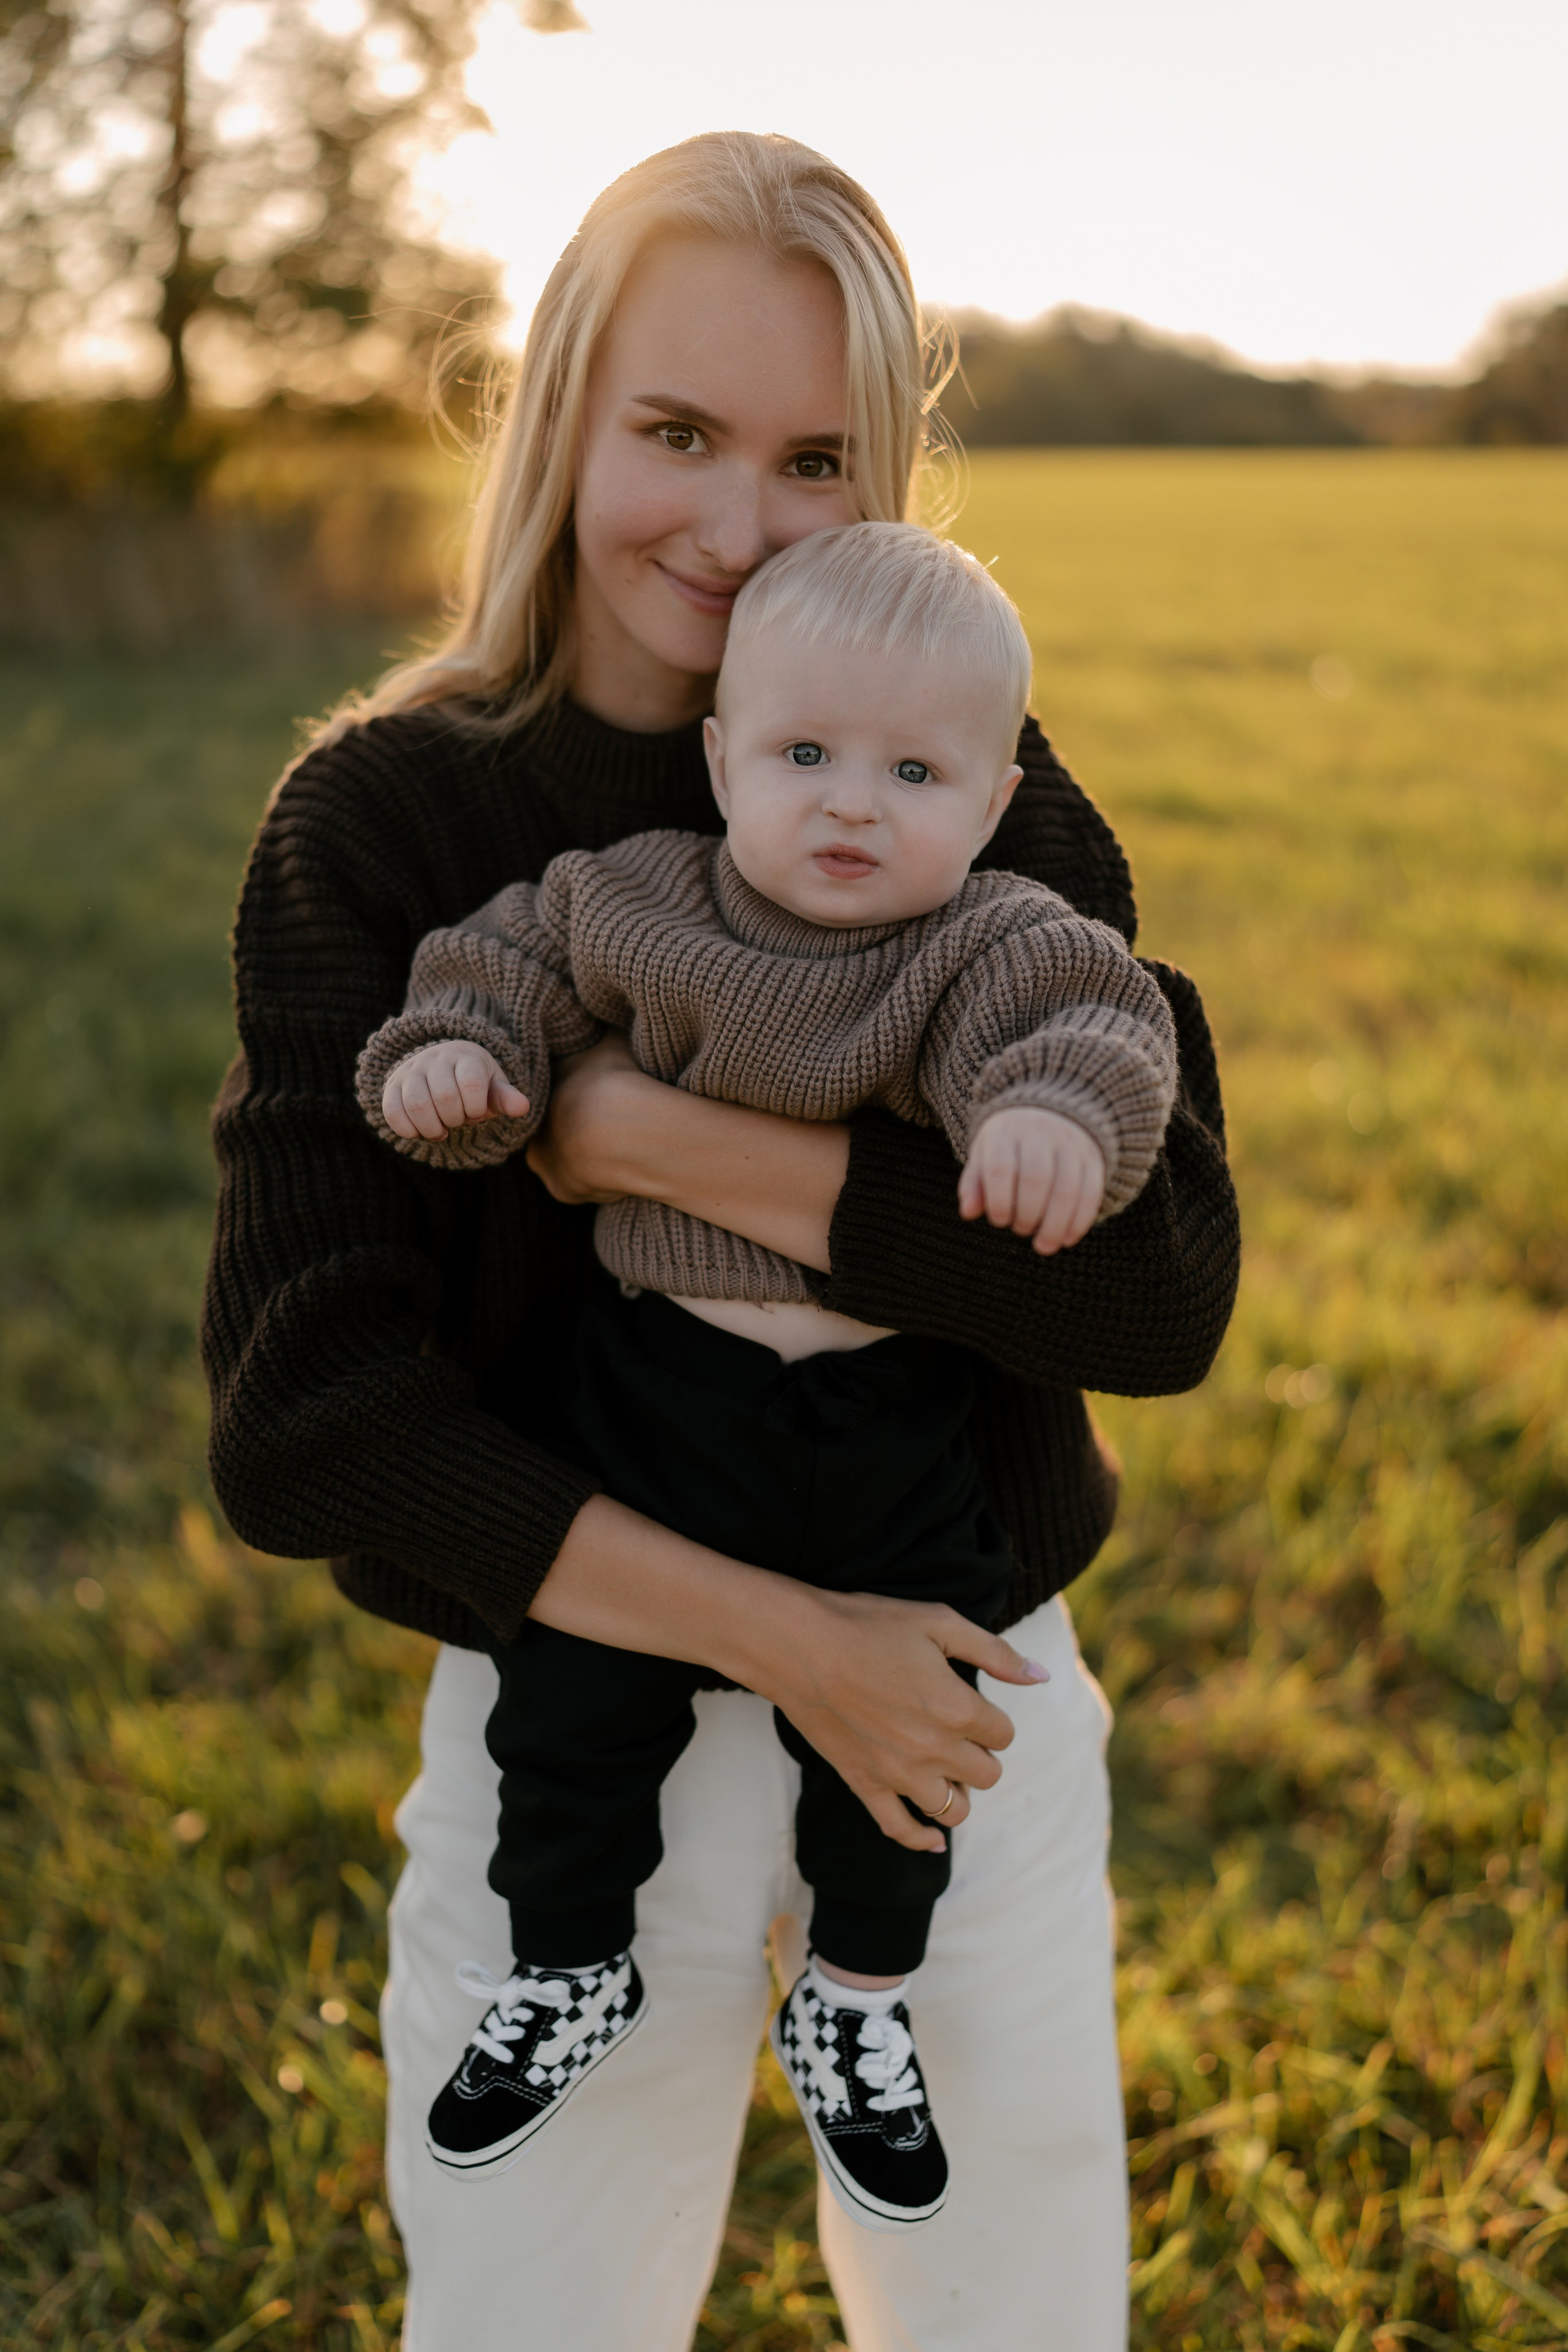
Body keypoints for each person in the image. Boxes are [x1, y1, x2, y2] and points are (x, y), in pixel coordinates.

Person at [202, 129, 1239, 2351]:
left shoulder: (956, 773)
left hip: (961, 1699)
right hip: (574, 1678)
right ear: (564, 413)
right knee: (532, 2319)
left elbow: (1158, 1292)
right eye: (674, 433)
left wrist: (641, 1132)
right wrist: (792, 1641)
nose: (736, 522)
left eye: (812, 458)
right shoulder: (388, 820)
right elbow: (312, 1420)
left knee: (1016, 2317)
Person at [353, 521, 1180, 2228]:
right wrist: (456, 1055)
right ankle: (569, 1964)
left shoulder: (984, 938)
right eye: (804, 755)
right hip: (664, 1393)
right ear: (723, 756)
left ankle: (859, 1998)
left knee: (916, 1734)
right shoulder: (633, 898)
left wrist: (1051, 1118)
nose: (854, 804)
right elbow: (494, 962)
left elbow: (1097, 1023)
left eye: (914, 770)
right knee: (573, 1707)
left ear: (994, 793)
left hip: (889, 1416)